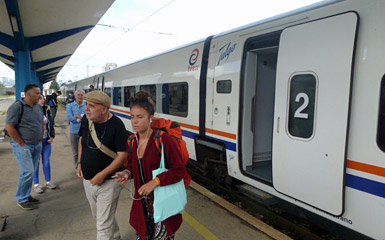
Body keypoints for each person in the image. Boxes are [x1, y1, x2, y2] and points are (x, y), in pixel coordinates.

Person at [114, 91, 186, 240]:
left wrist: (156, 181)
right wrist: (127, 173)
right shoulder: (133, 140)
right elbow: (133, 164)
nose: (134, 121)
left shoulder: (162, 139)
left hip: (163, 202)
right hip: (142, 205)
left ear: (150, 118)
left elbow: (178, 169)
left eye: (140, 117)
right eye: (132, 117)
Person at [76, 91, 128, 240]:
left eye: (91, 106)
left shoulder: (117, 125)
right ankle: (116, 237)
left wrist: (102, 175)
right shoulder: (87, 120)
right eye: (86, 104)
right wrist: (80, 162)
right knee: (100, 217)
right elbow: (82, 140)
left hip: (110, 181)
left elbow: (122, 155)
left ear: (104, 109)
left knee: (103, 225)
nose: (86, 109)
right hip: (88, 179)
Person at [5, 84, 44, 210]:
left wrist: (41, 137)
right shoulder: (17, 107)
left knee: (31, 171)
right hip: (23, 146)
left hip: (36, 144)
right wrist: (20, 143)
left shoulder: (38, 107)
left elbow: (41, 122)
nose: (40, 95)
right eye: (37, 93)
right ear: (28, 94)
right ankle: (21, 199)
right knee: (28, 171)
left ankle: (26, 196)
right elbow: (9, 126)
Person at [33, 94, 57, 193]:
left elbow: (51, 124)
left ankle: (48, 182)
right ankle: (36, 184)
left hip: (46, 141)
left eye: (42, 99)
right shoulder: (31, 111)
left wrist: (52, 136)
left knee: (46, 162)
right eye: (39, 99)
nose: (41, 101)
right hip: (36, 143)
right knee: (36, 163)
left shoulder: (47, 110)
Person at [66, 89, 86, 169]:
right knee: (75, 152)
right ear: (75, 96)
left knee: (84, 151)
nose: (80, 96)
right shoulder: (70, 106)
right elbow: (69, 118)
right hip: (74, 132)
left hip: (85, 132)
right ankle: (76, 167)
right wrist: (81, 118)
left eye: (81, 95)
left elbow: (88, 117)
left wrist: (77, 116)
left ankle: (83, 166)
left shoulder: (87, 105)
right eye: (78, 95)